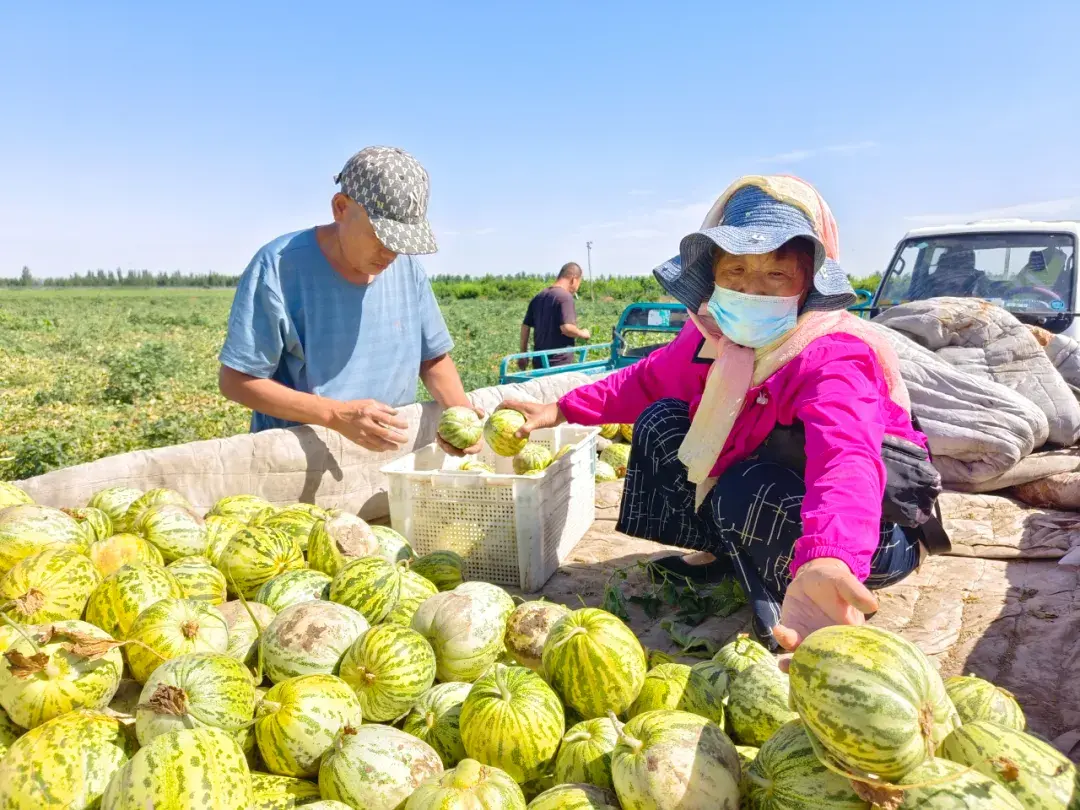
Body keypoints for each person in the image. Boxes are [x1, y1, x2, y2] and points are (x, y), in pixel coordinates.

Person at [501, 175, 947, 654]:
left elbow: (847, 459)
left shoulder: (833, 356)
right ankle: (727, 556)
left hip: (872, 533)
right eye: (735, 270)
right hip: (783, 500)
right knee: (663, 424)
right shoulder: (712, 339)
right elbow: (643, 382)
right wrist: (557, 409)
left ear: (809, 284)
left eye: (776, 274)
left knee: (743, 488)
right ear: (712, 277)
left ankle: (800, 595)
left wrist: (831, 558)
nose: (751, 290)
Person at [218, 146, 482, 456]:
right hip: (303, 459)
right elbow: (236, 381)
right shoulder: (279, 267)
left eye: (401, 242)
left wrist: (462, 415)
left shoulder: (407, 268)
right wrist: (334, 415)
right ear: (341, 208)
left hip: (383, 458)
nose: (391, 253)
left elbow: (432, 358)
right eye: (381, 236)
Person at [518, 262, 591, 370]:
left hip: (539, 363)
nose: (577, 288)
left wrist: (523, 355)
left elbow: (525, 327)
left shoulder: (539, 296)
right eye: (579, 283)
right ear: (574, 280)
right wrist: (583, 333)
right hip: (558, 364)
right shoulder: (565, 297)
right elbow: (567, 328)